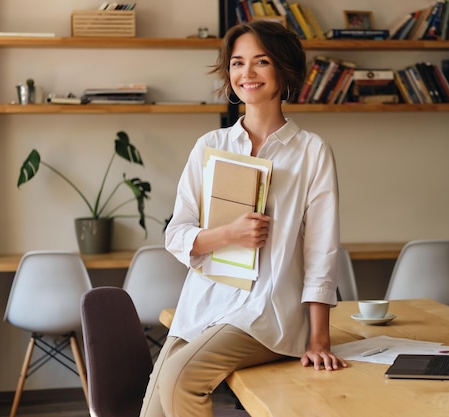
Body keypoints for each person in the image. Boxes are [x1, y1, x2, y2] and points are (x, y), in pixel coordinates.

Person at [139, 20, 347, 417]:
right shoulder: (210, 146)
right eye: (237, 63)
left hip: (268, 314)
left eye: (260, 61)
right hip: (202, 306)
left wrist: (319, 339)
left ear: (284, 71)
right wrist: (228, 233)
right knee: (154, 411)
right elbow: (176, 233)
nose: (246, 74)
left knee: (182, 378)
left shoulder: (311, 152)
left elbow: (322, 252)